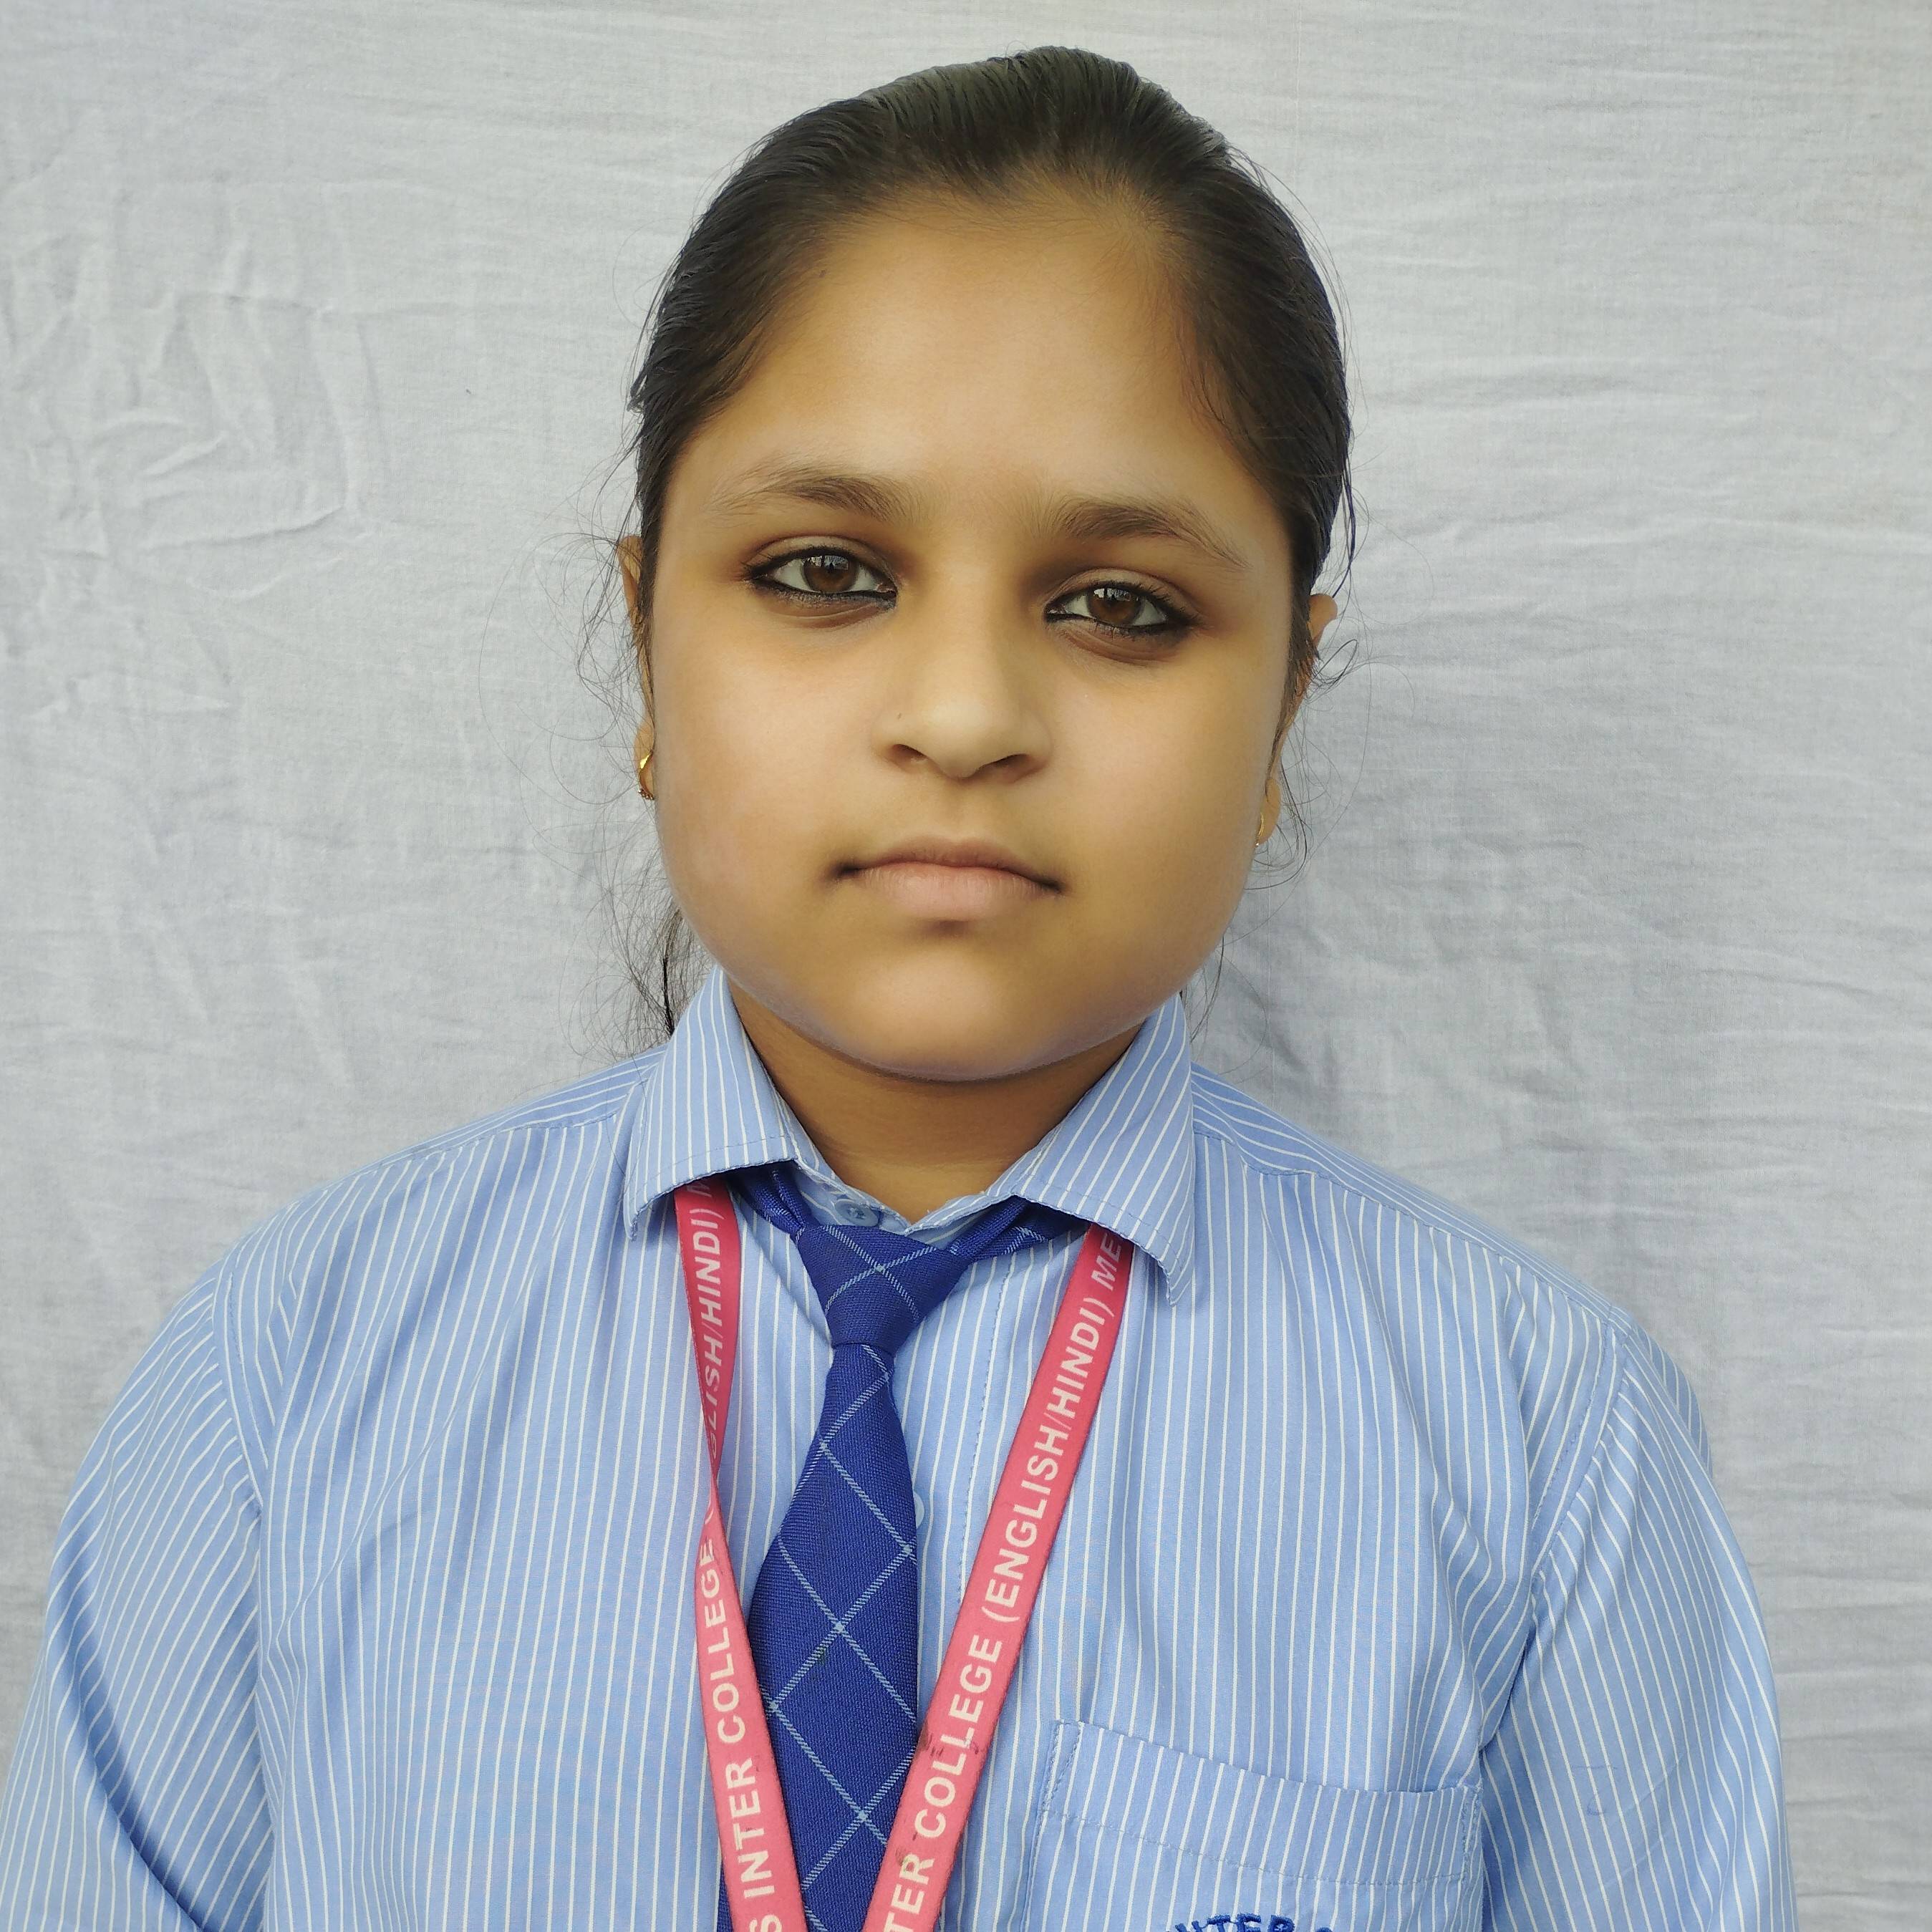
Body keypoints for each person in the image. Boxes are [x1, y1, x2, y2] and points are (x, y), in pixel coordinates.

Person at [0, 44, 1797, 1932]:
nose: (960, 714)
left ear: (1281, 702)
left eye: (1120, 604)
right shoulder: (290, 1375)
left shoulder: (1540, 1446)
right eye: (825, 571)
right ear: (643, 644)